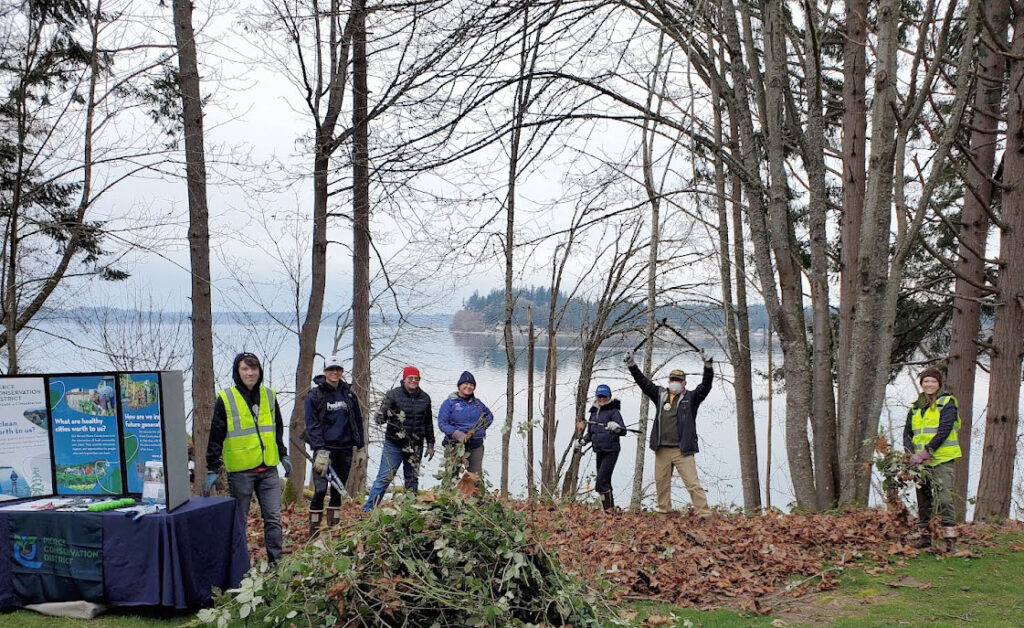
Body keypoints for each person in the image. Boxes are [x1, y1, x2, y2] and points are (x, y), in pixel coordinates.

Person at [205, 352, 290, 564]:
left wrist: (283, 454)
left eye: (254, 368)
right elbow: (216, 433)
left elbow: (277, 428)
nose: (250, 373)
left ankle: (276, 562)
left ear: (259, 371)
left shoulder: (269, 395)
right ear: (238, 372)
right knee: (239, 521)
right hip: (241, 472)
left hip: (268, 469)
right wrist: (212, 467)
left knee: (273, 518)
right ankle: (239, 564)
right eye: (245, 369)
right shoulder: (226, 398)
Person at [624, 350, 713, 516]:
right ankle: (664, 513)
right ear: (669, 381)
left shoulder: (692, 398)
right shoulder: (659, 394)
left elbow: (706, 386)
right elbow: (643, 382)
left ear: (684, 383)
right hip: (662, 449)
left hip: (683, 450)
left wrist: (708, 366)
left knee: (693, 485)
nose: (675, 383)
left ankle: (705, 515)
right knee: (662, 483)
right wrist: (632, 365)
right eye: (673, 379)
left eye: (679, 380)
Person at [304, 355, 364, 536]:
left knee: (338, 490)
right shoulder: (315, 396)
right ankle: (314, 531)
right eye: (331, 369)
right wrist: (320, 450)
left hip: (344, 449)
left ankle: (333, 528)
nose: (335, 373)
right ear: (325, 372)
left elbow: (357, 422)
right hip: (324, 451)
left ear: (342, 372)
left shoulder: (349, 395)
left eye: (338, 369)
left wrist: (360, 447)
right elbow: (312, 424)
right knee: (320, 490)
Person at [903, 367, 961, 553]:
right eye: (925, 381)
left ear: (939, 384)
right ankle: (925, 538)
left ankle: (950, 540)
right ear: (921, 384)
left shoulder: (947, 403)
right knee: (923, 500)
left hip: (942, 458)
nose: (929, 384)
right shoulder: (915, 407)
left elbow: (944, 430)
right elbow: (907, 433)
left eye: (932, 381)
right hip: (920, 463)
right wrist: (911, 453)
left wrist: (928, 451)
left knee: (944, 499)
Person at [364, 366, 435, 511]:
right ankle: (368, 510)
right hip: (394, 444)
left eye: (416, 378)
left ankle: (410, 510)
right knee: (384, 478)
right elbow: (384, 412)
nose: (413, 381)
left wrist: (431, 444)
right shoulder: (393, 395)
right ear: (404, 379)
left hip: (415, 445)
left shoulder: (425, 398)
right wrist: (380, 416)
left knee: (412, 479)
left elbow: (428, 423)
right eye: (410, 378)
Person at [577, 383, 624, 512]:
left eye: (604, 397)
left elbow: (623, 430)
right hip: (599, 451)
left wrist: (616, 428)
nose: (602, 399)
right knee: (605, 482)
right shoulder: (594, 412)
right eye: (599, 396)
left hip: (611, 451)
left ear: (609, 397)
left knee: (601, 482)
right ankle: (609, 511)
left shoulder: (613, 411)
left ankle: (608, 511)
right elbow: (591, 433)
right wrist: (583, 441)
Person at [437, 371, 493, 476]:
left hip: (475, 445)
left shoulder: (478, 403)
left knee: (475, 477)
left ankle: (475, 492)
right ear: (459, 386)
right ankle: (449, 492)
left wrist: (480, 429)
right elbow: (442, 423)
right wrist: (458, 434)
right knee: (451, 476)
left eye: (471, 385)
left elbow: (489, 416)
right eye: (466, 384)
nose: (468, 387)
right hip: (454, 445)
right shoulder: (449, 403)